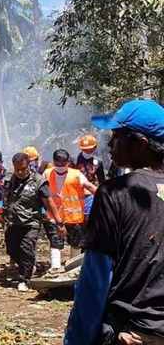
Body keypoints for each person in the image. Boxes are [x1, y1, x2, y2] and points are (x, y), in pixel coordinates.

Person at [65, 99, 164, 345]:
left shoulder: (115, 193)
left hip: (134, 332)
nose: (110, 144)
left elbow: (95, 281)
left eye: (117, 136)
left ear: (141, 144)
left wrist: (77, 339)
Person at [2, 152, 65, 292]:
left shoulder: (38, 181)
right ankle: (29, 266)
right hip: (13, 222)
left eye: (23, 169)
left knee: (27, 248)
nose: (19, 172)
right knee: (11, 250)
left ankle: (24, 279)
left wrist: (59, 222)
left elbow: (49, 202)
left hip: (31, 222)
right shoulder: (9, 179)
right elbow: (6, 196)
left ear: (29, 165)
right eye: (17, 169)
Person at [43, 149, 97, 271]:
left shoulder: (77, 174)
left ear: (68, 162)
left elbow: (91, 187)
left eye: (63, 164)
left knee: (75, 243)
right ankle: (55, 268)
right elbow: (40, 192)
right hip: (53, 216)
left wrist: (104, 198)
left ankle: (74, 267)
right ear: (53, 162)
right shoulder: (47, 173)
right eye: (57, 164)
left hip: (74, 217)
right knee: (55, 242)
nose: (60, 167)